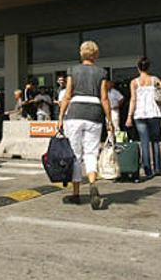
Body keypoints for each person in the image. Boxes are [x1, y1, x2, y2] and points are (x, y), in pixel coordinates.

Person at [58, 40, 112, 209]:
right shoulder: (101, 72)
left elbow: (67, 95)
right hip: (95, 113)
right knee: (91, 152)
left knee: (75, 154)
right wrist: (109, 120)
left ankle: (75, 193)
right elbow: (104, 98)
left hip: (75, 113)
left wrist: (60, 117)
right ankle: (92, 183)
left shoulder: (73, 70)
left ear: (81, 53)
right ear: (96, 54)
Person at [126, 57, 161, 179]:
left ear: (138, 68)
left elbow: (133, 100)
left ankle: (147, 170)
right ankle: (158, 168)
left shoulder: (134, 82)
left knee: (144, 142)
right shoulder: (154, 79)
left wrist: (129, 116)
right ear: (148, 67)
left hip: (140, 113)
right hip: (154, 112)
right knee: (155, 141)